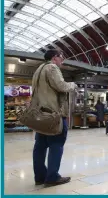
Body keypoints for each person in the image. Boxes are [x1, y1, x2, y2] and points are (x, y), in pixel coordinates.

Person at [32, 49, 77, 187]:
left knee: (40, 146)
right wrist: (73, 85)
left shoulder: (38, 69)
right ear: (54, 57)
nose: (62, 59)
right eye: (61, 56)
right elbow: (61, 86)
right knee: (56, 144)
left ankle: (40, 176)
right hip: (53, 114)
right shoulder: (52, 67)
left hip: (39, 114)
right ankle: (52, 177)